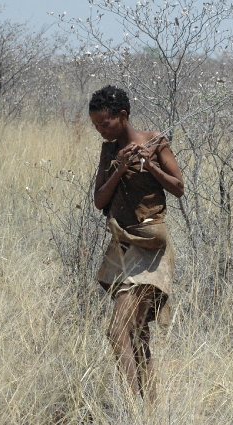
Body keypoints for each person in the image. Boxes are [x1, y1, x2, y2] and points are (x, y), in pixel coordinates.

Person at [89, 85, 184, 402]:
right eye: (97, 126)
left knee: (117, 331)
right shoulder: (108, 151)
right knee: (137, 333)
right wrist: (119, 167)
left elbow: (179, 187)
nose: (102, 131)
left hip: (151, 244)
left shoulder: (155, 141)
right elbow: (99, 200)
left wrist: (151, 165)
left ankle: (132, 405)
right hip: (121, 245)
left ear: (123, 115)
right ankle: (150, 409)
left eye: (106, 124)